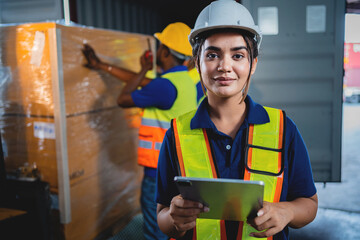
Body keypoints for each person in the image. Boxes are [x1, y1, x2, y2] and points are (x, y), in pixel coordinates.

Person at [155, 1, 318, 239]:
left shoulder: (283, 128)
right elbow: (162, 215)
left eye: (238, 55)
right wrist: (174, 218)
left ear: (253, 64)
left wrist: (288, 211)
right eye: (212, 55)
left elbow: (309, 204)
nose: (224, 66)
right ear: (197, 63)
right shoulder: (177, 134)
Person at [82, 22, 198, 240]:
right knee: (175, 225)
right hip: (179, 167)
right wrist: (101, 65)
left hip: (158, 172)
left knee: (156, 229)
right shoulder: (188, 80)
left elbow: (123, 98)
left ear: (164, 51)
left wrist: (144, 67)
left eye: (159, 46)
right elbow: (145, 83)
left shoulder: (164, 86)